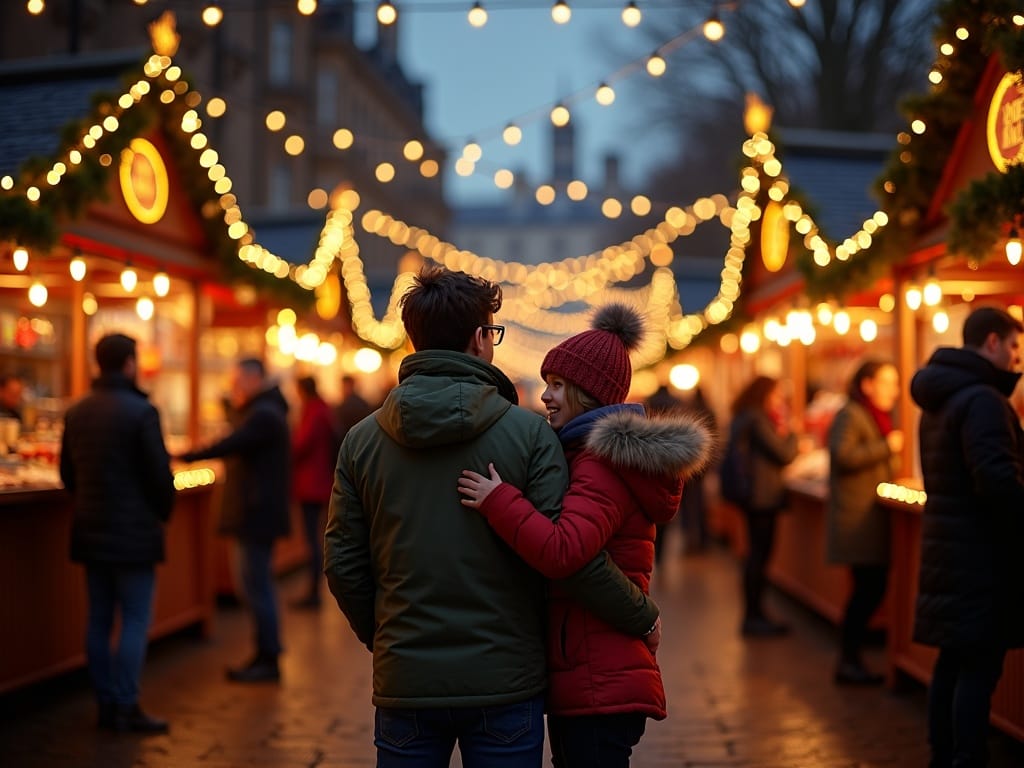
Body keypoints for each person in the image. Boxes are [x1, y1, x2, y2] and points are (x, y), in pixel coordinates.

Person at [325, 265, 660, 768]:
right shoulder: (529, 435)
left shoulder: (361, 440)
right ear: (481, 338)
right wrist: (642, 615)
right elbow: (570, 556)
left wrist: (391, 637)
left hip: (407, 677)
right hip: (507, 678)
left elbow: (343, 564)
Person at [458, 304, 712, 768]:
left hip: (600, 678)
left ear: (587, 392)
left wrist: (501, 501)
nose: (547, 396)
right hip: (599, 670)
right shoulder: (588, 455)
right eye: (548, 383)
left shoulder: (599, 464)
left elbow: (563, 551)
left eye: (558, 385)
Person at [910, 306, 1024, 768]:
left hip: (951, 547)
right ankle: (967, 758)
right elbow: (995, 479)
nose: (1019, 357)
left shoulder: (944, 396)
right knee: (978, 665)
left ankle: (944, 753)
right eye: (1015, 346)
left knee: (954, 660)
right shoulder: (982, 400)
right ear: (992, 343)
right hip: (981, 552)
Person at [59, 333, 175, 733]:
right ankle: (126, 703)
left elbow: (67, 477)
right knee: (135, 619)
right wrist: (162, 514)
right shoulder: (141, 412)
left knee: (98, 619)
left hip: (91, 531)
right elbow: (160, 477)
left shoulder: (77, 412)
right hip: (134, 533)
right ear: (128, 363)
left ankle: (105, 704)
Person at [179, 358, 290, 683]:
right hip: (257, 513)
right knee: (255, 585)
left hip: (255, 514)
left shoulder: (264, 414)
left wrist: (188, 455)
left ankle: (268, 657)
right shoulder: (264, 410)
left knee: (254, 586)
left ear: (255, 379)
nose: (234, 387)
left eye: (238, 381)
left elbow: (232, 442)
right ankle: (265, 653)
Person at [826, 360, 902, 685]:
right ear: (868, 384)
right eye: (887, 382)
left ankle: (851, 658)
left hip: (866, 516)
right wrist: (886, 447)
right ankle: (848, 660)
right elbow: (842, 456)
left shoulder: (870, 413)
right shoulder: (852, 413)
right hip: (857, 517)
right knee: (867, 590)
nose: (894, 391)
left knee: (869, 588)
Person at [729, 375, 799, 637]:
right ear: (765, 394)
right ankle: (754, 616)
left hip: (752, 495)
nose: (779, 400)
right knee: (759, 556)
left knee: (755, 555)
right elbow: (784, 453)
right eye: (777, 394)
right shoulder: (757, 419)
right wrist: (792, 433)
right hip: (762, 497)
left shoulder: (743, 415)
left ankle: (756, 614)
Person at [290, 375, 336, 609]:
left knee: (312, 540)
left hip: (311, 484)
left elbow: (300, 445)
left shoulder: (313, 411)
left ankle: (314, 591)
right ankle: (313, 589)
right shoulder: (323, 409)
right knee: (315, 537)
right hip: (320, 482)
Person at [333, 374, 373, 444]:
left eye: (343, 386)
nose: (341, 389)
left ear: (349, 385)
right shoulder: (362, 403)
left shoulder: (346, 406)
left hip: (351, 441)